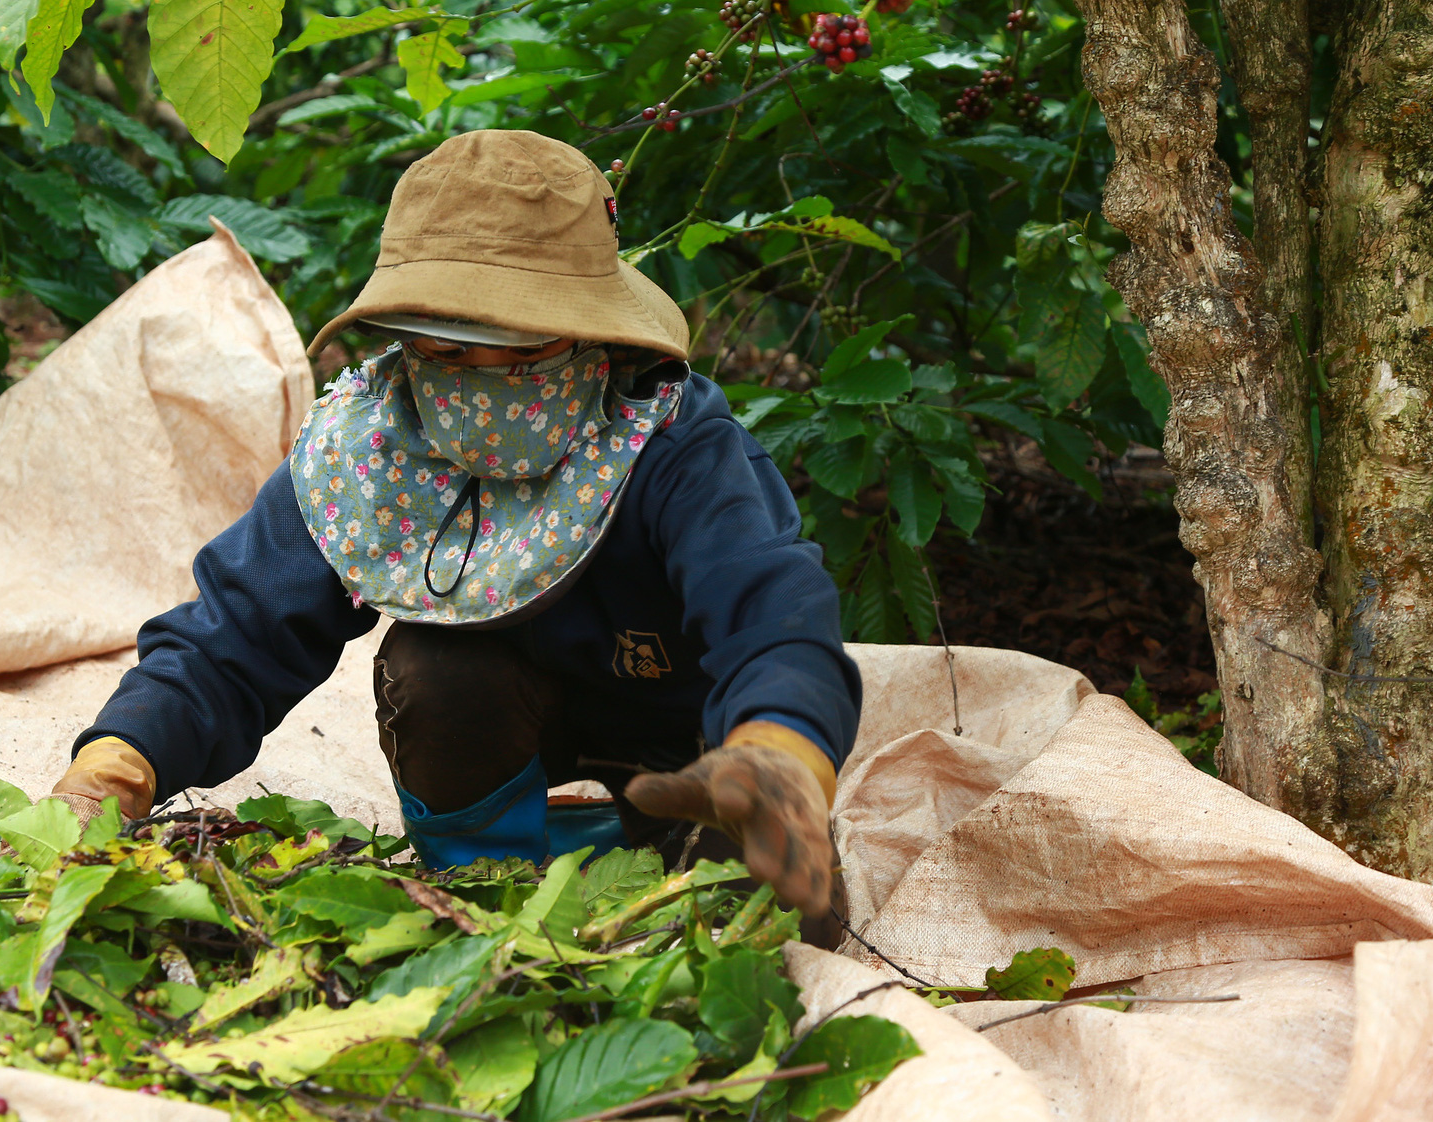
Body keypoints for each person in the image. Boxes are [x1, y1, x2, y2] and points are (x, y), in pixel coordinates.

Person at [49, 129, 860, 916]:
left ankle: (701, 828)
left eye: (519, 354)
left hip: (694, 744)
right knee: (434, 664)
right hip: (499, 725)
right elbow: (240, 624)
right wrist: (121, 759)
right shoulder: (369, 451)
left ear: (589, 336)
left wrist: (779, 748)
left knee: (766, 906)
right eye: (444, 350)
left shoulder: (668, 442)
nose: (481, 381)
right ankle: (484, 882)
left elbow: (773, 608)